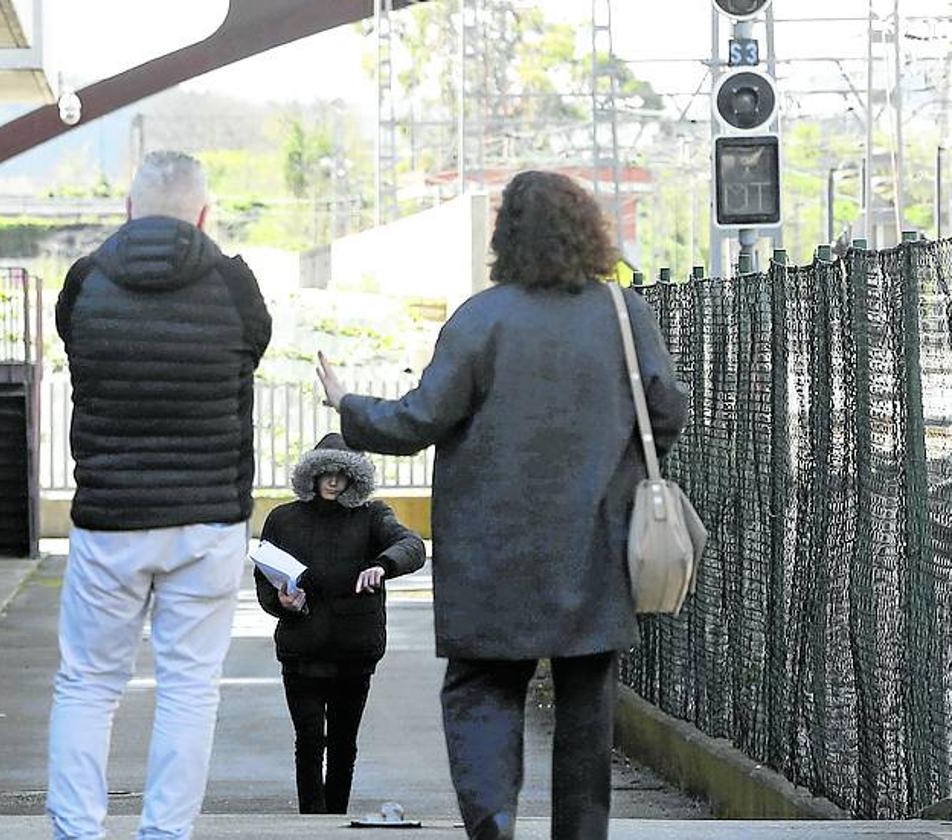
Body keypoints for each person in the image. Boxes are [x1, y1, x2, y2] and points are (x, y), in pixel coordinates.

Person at [316, 170, 688, 840]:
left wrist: (347, 406)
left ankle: (493, 824)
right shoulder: (622, 314)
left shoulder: (481, 319)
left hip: (491, 551)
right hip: (596, 543)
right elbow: (665, 411)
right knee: (586, 705)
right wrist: (614, 468)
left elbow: (417, 419)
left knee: (482, 690)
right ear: (586, 230)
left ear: (505, 237)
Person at [47, 150, 271, 840]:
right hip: (207, 521)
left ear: (128, 210)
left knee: (87, 684)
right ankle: (165, 836)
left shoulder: (84, 282)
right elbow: (254, 348)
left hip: (109, 519)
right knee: (190, 689)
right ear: (204, 214)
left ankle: (78, 833)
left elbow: (72, 342)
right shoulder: (235, 287)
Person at [254, 433, 425, 815]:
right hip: (302, 650)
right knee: (309, 740)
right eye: (325, 472)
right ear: (311, 475)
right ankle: (311, 821)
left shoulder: (372, 516)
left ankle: (335, 818)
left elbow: (412, 546)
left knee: (344, 742)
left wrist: (383, 565)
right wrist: (281, 602)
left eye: (342, 473)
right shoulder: (283, 520)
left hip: (354, 651)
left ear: (355, 478)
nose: (332, 480)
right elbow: (265, 581)